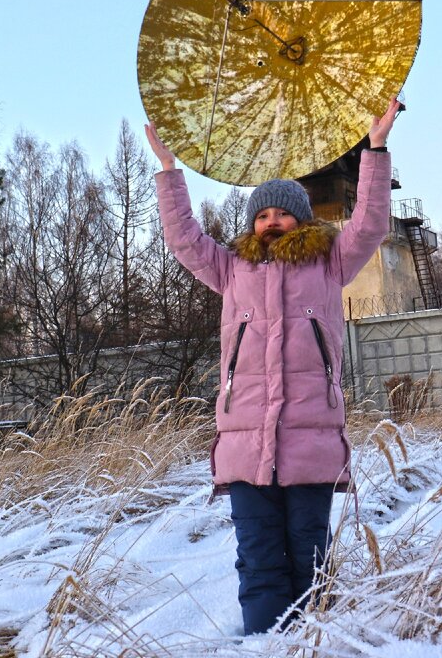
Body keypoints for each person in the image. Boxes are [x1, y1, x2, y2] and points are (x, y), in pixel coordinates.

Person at [145, 98, 401, 636]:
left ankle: (311, 642)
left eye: (282, 212)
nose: (271, 222)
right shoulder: (232, 268)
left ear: (302, 219)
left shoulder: (330, 263)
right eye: (262, 214)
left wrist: (375, 150)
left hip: (310, 440)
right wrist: (170, 173)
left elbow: (371, 223)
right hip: (243, 441)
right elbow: (184, 239)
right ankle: (262, 643)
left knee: (309, 557)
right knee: (257, 557)